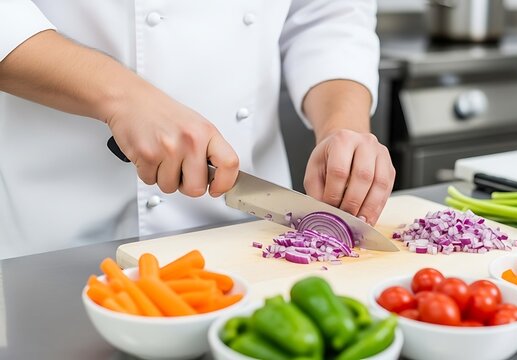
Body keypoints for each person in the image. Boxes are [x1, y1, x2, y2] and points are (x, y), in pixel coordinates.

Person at [0, 1, 395, 259]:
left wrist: (342, 127)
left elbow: (328, 16)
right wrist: (122, 97)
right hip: (59, 238)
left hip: (253, 240)